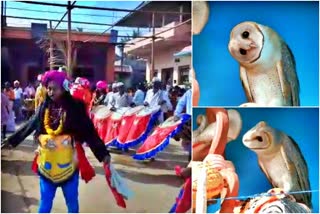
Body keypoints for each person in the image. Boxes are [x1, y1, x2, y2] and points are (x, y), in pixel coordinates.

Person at [2, 70, 111, 213]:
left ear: (64, 88)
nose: (51, 92)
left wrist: (103, 153)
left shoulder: (76, 107)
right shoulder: (44, 106)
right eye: (48, 88)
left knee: (72, 203)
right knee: (45, 204)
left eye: (55, 88)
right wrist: (11, 141)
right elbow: (31, 124)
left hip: (69, 164)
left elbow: (89, 131)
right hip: (46, 164)